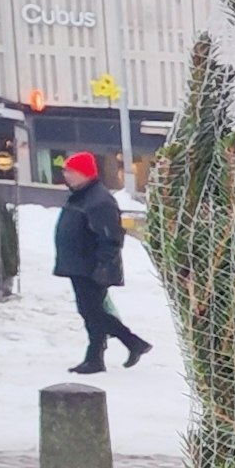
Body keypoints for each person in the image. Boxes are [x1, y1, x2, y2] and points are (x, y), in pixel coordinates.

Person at [52, 152, 150, 374]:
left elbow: (110, 237)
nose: (66, 175)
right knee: (91, 312)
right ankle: (101, 355)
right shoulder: (82, 196)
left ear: (84, 173)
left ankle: (130, 343)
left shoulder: (98, 200)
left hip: (91, 266)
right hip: (80, 264)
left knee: (93, 312)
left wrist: (104, 267)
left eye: (70, 171)